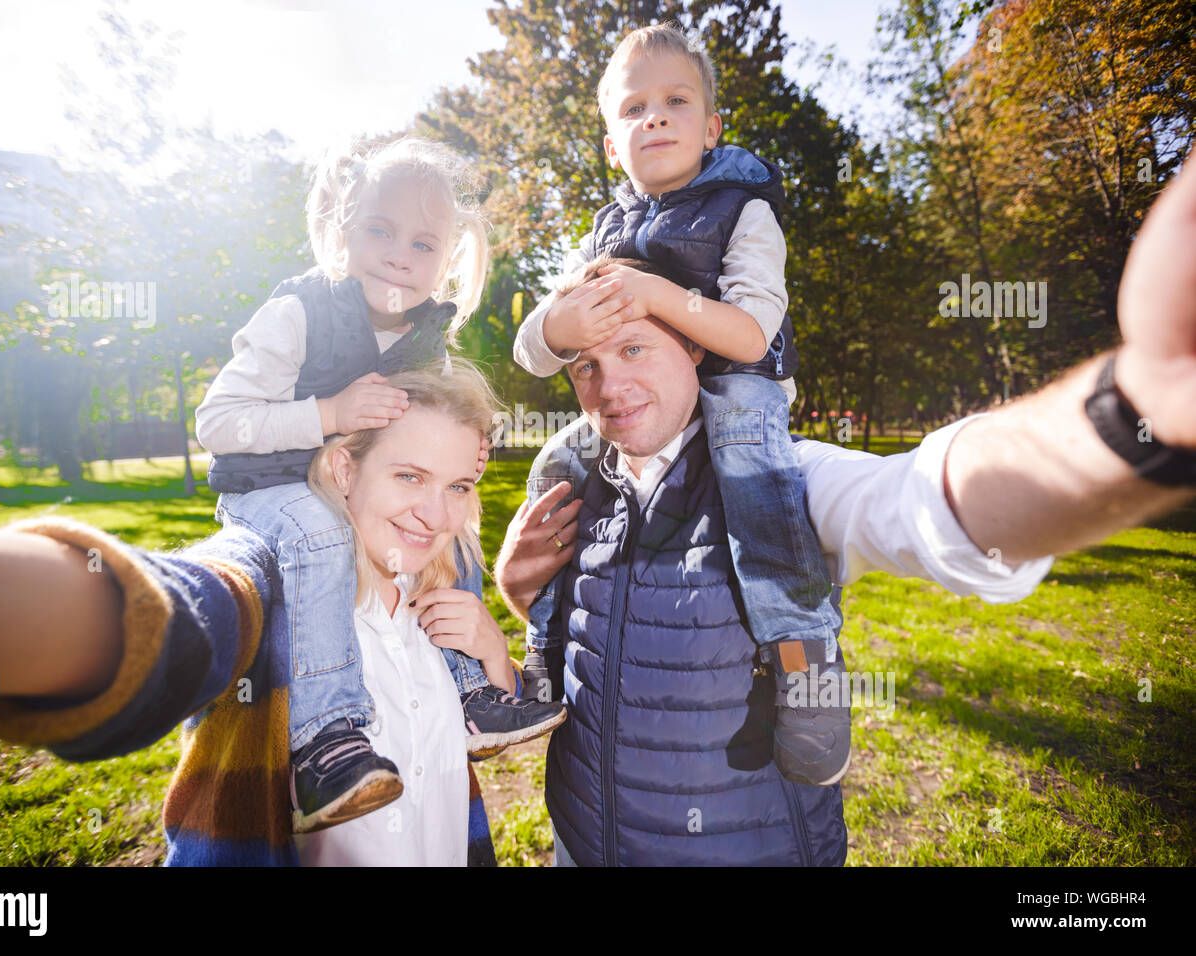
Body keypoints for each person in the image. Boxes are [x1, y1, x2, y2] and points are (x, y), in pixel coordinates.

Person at [495, 152, 1196, 865]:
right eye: (586, 366)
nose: (610, 385)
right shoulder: (576, 483)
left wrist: (1134, 415)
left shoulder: (774, 476)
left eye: (635, 348)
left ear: (694, 346)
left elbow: (922, 505)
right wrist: (518, 590)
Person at [0, 360, 533, 866]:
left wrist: (493, 662)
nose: (436, 514)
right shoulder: (276, 588)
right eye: (410, 477)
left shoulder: (442, 598)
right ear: (344, 468)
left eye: (457, 486)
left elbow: (450, 760)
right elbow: (177, 612)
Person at [510, 22, 849, 788]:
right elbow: (533, 353)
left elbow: (751, 331)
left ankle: (808, 664)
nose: (654, 118)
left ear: (712, 126)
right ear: (609, 144)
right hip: (644, 392)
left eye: (674, 101)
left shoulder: (743, 208)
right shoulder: (603, 231)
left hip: (738, 385)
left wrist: (661, 295)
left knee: (754, 476)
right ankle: (544, 645)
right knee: (557, 460)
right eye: (632, 109)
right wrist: (560, 324)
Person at [194, 137, 563, 834]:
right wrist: (328, 415)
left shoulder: (425, 336)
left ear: (448, 260)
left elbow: (434, 412)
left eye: (424, 244)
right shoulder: (300, 312)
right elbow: (217, 420)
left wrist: (463, 455)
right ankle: (326, 741)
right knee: (321, 535)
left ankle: (472, 692)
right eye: (379, 230)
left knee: (455, 524)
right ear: (343, 232)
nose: (400, 254)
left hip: (340, 479)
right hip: (266, 489)